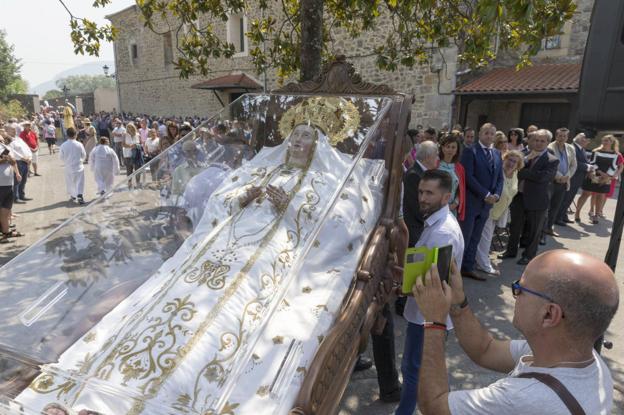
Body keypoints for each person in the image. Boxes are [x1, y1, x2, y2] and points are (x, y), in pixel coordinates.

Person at [413, 249, 618, 415]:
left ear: (549, 314)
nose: (515, 293)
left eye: (520, 287)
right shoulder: (585, 361)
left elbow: (434, 406)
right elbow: (485, 349)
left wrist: (434, 322)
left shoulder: (522, 399)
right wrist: (458, 301)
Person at [397, 169, 464, 415]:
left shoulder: (442, 232)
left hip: (426, 317)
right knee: (416, 368)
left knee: (414, 369)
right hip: (426, 315)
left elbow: (433, 286)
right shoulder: (437, 223)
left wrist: (400, 286)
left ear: (446, 197)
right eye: (420, 192)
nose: (422, 198)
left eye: (429, 193)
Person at [499, 130, 559, 265]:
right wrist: (527, 165)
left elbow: (543, 177)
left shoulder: (552, 160)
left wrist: (524, 172)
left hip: (537, 200)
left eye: (542, 141)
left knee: (534, 230)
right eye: (536, 140)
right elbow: (514, 171)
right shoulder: (523, 156)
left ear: (548, 143)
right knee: (515, 226)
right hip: (519, 196)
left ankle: (529, 255)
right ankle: (511, 250)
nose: (538, 143)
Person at [459, 123, 504, 281]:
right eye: (486, 133)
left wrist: (496, 195)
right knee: (465, 236)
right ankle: (455, 269)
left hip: (487, 204)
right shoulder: (470, 151)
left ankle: (468, 267)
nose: (489, 136)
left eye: (492, 134)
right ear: (480, 134)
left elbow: (500, 177)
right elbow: (468, 177)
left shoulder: (497, 153)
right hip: (472, 202)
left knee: (476, 237)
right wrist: (485, 193)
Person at [475, 150, 523, 275]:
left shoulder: (515, 173)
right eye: (509, 159)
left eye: (515, 162)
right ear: (504, 159)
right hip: (489, 210)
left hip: (500, 212)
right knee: (485, 239)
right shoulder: (497, 172)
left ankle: (478, 260)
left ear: (518, 165)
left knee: (486, 237)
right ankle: (484, 265)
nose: (511, 163)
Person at [575, 134, 622, 224]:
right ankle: (577, 213)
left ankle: (596, 215)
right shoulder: (595, 151)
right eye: (603, 140)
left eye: (606, 141)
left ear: (611, 142)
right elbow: (592, 163)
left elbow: (614, 166)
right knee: (585, 194)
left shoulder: (616, 154)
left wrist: (607, 175)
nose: (604, 142)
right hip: (593, 175)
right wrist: (600, 172)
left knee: (601, 196)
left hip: (607, 177)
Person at [544, 128, 577, 235]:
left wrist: (567, 176)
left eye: (564, 136)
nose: (562, 138)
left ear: (567, 137)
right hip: (552, 181)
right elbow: (549, 164)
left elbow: (574, 165)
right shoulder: (550, 147)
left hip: (564, 182)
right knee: (546, 207)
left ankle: (549, 228)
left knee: (555, 207)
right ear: (556, 136)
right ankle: (541, 230)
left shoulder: (571, 148)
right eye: (560, 135)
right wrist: (559, 176)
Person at [558, 133, 590, 224]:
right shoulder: (573, 148)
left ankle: (563, 215)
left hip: (577, 178)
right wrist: (588, 166)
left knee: (569, 198)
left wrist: (589, 166)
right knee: (566, 198)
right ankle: (558, 217)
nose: (588, 141)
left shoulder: (581, 149)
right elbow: (573, 163)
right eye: (586, 138)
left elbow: (583, 161)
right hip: (572, 177)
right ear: (580, 139)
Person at [438, 132, 466, 220]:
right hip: (435, 206)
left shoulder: (459, 168)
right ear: (442, 148)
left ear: (457, 150)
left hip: (451, 208)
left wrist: (455, 204)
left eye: (453, 147)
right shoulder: (435, 164)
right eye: (448, 147)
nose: (450, 150)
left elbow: (460, 189)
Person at [0, 141, 23, 243]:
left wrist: (17, 173)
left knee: (5, 211)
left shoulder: (5, 147)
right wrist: (4, 159)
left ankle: (6, 233)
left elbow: (13, 161)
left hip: (9, 183)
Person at [59, 127, 87, 205]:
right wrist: (81, 161)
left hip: (68, 166)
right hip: (79, 166)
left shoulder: (63, 145)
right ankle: (80, 195)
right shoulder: (79, 144)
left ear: (67, 135)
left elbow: (61, 157)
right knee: (80, 182)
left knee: (70, 182)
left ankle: (73, 195)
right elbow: (84, 155)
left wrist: (66, 161)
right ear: (75, 135)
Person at [5, 126, 32, 204]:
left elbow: (26, 147)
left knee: (24, 180)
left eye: (14, 130)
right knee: (17, 181)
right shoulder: (8, 141)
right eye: (12, 130)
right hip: (19, 161)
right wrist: (23, 158)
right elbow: (12, 152)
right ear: (7, 131)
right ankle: (16, 198)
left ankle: (22, 195)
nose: (14, 131)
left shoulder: (18, 138)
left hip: (26, 161)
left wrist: (29, 157)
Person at [122, 122, 142, 188]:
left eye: (131, 127)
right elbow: (123, 144)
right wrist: (131, 146)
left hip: (136, 155)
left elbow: (141, 144)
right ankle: (129, 183)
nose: (129, 128)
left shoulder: (138, 134)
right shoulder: (125, 134)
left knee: (137, 170)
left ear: (133, 127)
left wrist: (137, 146)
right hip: (127, 154)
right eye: (128, 127)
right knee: (129, 170)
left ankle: (138, 183)